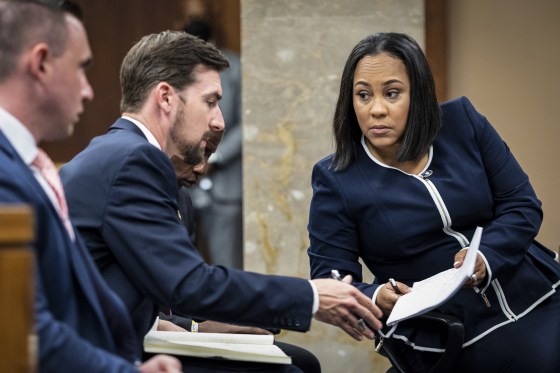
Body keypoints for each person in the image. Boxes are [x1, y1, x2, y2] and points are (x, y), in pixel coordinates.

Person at [60, 30, 383, 372]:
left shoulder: (124, 154)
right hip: (100, 356)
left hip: (130, 338)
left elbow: (154, 286)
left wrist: (196, 326)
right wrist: (313, 297)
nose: (220, 120)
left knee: (299, 361)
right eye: (210, 101)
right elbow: (188, 284)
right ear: (166, 98)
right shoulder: (133, 161)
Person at [307, 32, 560, 372]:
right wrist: (376, 295)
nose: (376, 109)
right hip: (443, 330)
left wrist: (486, 256)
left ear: (419, 94)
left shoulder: (462, 122)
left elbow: (522, 204)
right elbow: (332, 276)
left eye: (392, 93)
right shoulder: (336, 177)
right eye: (363, 95)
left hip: (535, 293)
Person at [0, 1, 180, 371]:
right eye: (82, 68)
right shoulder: (6, 171)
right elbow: (29, 330)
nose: (88, 91)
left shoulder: (24, 163)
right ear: (42, 63)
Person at [183, 18, 244, 269]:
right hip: (184, 184)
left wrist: (214, 158)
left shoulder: (235, 68)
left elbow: (245, 125)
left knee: (226, 265)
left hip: (225, 187)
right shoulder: (177, 69)